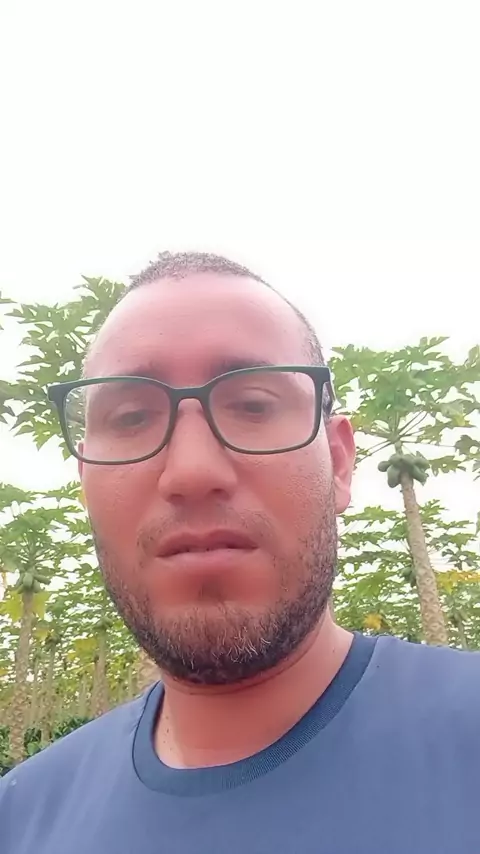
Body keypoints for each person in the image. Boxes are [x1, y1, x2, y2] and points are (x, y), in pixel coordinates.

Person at [1, 252, 479, 854]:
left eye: (253, 405)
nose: (192, 471)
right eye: (131, 417)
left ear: (338, 462)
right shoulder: (19, 817)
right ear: (85, 482)